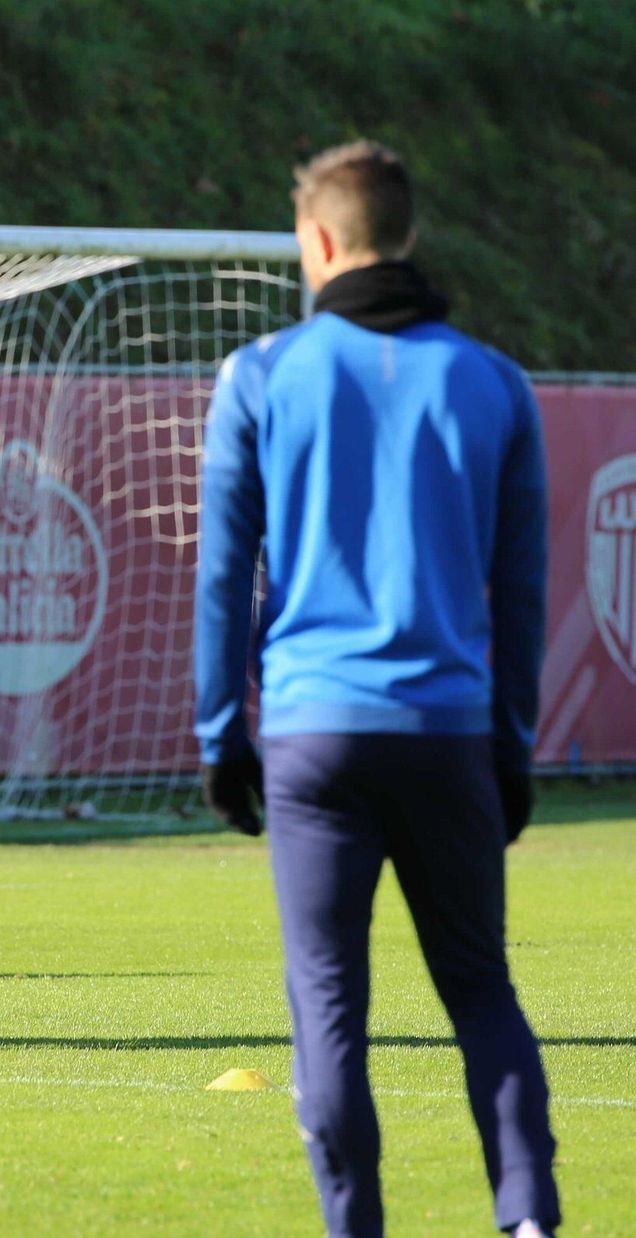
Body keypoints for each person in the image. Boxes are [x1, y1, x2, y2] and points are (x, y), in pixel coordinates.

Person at [194, 141, 559, 1238]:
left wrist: (222, 735)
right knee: (480, 988)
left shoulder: (260, 373)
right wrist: (511, 744)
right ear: (406, 233)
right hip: (447, 731)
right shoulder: (494, 381)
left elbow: (221, 572)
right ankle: (528, 1214)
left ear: (315, 241)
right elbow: (523, 590)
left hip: (312, 735)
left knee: (329, 1009)